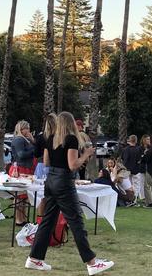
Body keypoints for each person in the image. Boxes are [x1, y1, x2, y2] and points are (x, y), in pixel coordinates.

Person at [26, 111, 114, 274]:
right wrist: (86, 155)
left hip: (51, 179)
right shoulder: (71, 139)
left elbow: (46, 161)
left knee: (48, 221)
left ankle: (34, 258)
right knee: (76, 221)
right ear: (71, 123)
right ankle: (92, 262)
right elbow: (73, 165)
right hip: (64, 182)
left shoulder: (51, 138)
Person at [11, 120, 35, 227]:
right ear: (22, 129)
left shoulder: (25, 139)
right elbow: (21, 154)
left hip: (26, 167)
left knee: (24, 196)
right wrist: (33, 149)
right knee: (20, 196)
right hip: (21, 168)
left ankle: (23, 218)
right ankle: (19, 219)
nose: (29, 131)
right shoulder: (19, 140)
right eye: (27, 129)